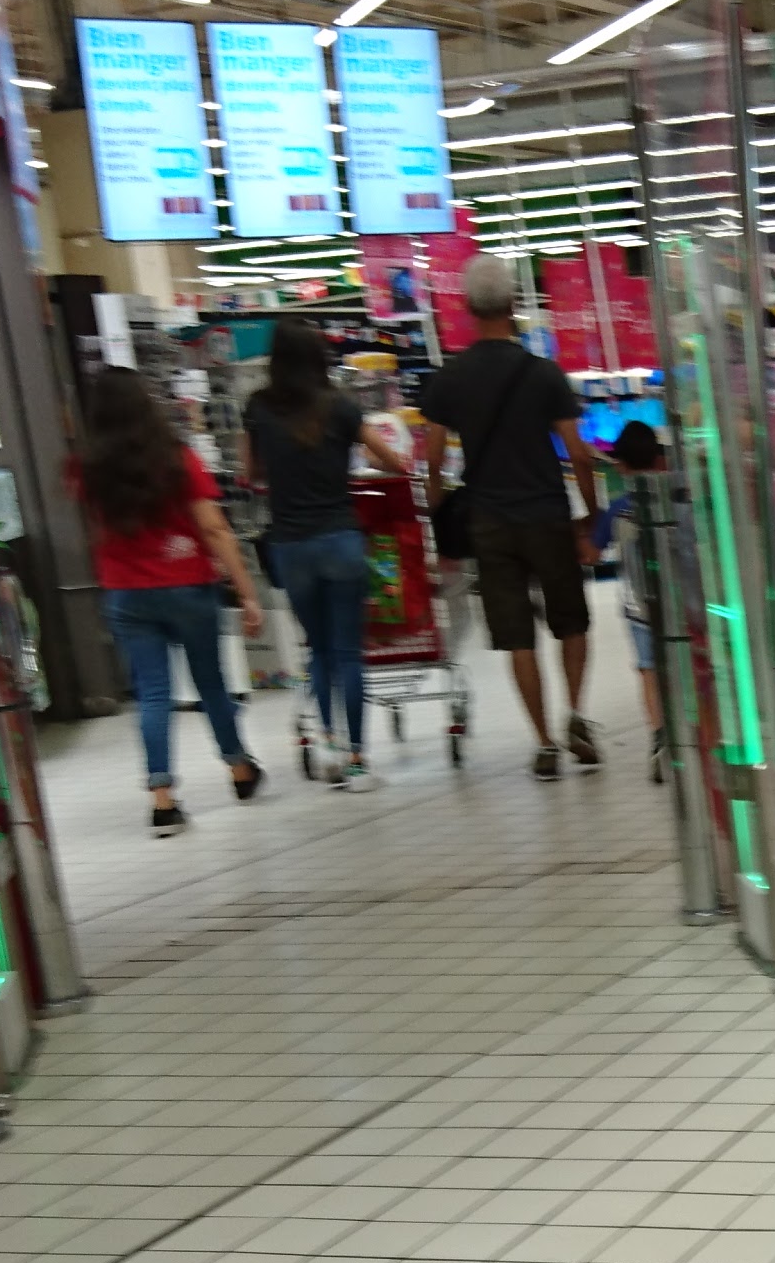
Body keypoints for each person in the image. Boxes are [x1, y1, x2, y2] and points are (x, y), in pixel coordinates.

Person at [420, 253, 603, 777]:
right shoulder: (543, 374)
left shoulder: (450, 378)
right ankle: (575, 715)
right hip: (546, 513)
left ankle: (543, 743)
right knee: (571, 622)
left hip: (489, 522)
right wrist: (591, 515)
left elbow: (433, 460)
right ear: (514, 304)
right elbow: (579, 453)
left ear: (467, 307)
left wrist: (438, 511)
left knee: (517, 636)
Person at [72, 367, 266, 835]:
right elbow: (214, 528)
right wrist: (247, 592)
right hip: (187, 588)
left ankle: (162, 800)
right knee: (211, 684)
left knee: (152, 693)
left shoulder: (86, 470)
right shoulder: (177, 459)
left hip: (126, 594)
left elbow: (96, 529)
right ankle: (239, 769)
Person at [240, 317, 412, 787]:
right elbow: (393, 461)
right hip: (340, 539)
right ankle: (357, 761)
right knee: (348, 652)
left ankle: (331, 748)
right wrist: (353, 465)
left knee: (318, 650)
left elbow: (250, 473)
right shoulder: (340, 406)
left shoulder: (257, 407)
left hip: (291, 545)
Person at [604, 419, 669, 781]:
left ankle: (660, 737)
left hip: (639, 608)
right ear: (660, 460)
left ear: (621, 466)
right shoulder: (676, 499)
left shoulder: (618, 509)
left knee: (648, 670)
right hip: (680, 605)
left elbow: (591, 551)